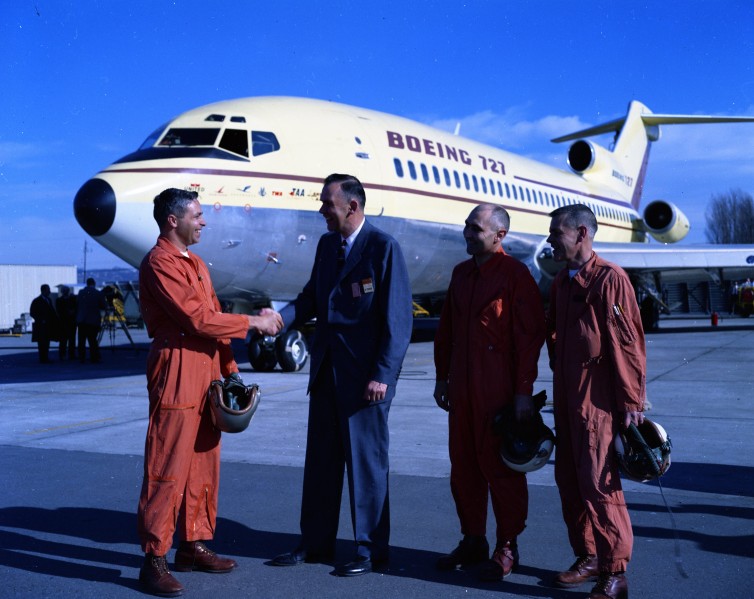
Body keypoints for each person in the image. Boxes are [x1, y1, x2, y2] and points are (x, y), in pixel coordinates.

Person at [136, 188, 283, 597]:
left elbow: (214, 316)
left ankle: (194, 544)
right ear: (173, 220)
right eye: (197, 215)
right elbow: (197, 318)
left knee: (203, 461)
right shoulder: (160, 262)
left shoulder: (197, 263)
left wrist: (231, 370)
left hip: (208, 370)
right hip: (178, 368)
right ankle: (154, 559)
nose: (203, 221)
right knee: (168, 464)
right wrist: (254, 323)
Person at [272, 173, 413, 577]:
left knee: (367, 466)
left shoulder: (383, 248)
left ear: (352, 206)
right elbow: (311, 298)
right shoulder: (326, 246)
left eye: (327, 204)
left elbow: (398, 321)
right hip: (326, 375)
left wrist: (382, 374)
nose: (321, 211)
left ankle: (370, 550)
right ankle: (315, 543)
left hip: (366, 380)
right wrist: (279, 319)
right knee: (320, 463)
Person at [433, 203, 545, 581]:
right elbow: (446, 330)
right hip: (462, 392)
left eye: (476, 228)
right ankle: (473, 540)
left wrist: (523, 393)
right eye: (466, 225)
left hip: (499, 393)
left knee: (501, 469)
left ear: (499, 235)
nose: (467, 233)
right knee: (463, 468)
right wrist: (441, 378)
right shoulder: (461, 274)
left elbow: (529, 340)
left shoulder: (516, 276)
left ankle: (507, 545)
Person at [545, 204, 646, 599]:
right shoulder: (561, 283)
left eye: (557, 233)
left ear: (582, 234)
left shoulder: (609, 279)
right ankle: (587, 556)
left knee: (599, 485)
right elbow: (554, 332)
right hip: (567, 398)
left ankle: (615, 572)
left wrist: (631, 400)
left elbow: (627, 345)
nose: (551, 239)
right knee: (569, 481)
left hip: (598, 403)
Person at [76, 277, 106, 363]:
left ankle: (81, 357)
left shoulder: (81, 292)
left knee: (81, 340)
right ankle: (94, 357)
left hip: (81, 320)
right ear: (94, 283)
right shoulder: (98, 293)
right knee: (92, 340)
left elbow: (77, 304)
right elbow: (104, 306)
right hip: (93, 321)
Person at [29, 284, 59, 363]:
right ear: (43, 290)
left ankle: (45, 357)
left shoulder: (48, 300)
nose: (49, 291)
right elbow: (32, 313)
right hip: (41, 326)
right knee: (41, 343)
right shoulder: (36, 301)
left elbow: (52, 311)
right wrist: (40, 320)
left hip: (48, 325)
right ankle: (42, 358)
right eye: (48, 290)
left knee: (47, 342)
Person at [56, 285, 77, 360]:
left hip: (69, 322)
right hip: (65, 322)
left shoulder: (70, 299)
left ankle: (67, 354)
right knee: (65, 340)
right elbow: (59, 311)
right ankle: (65, 354)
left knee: (69, 340)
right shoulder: (60, 300)